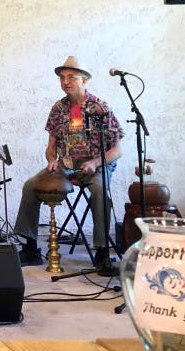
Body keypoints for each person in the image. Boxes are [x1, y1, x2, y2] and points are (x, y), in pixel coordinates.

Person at [14, 56, 124, 268]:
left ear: (84, 81)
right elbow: (51, 145)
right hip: (66, 164)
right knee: (31, 186)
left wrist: (95, 162)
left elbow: (117, 150)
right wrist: (51, 160)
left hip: (96, 165)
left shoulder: (100, 108)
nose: (66, 82)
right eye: (62, 78)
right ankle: (30, 247)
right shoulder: (58, 108)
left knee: (100, 190)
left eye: (71, 77)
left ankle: (102, 252)